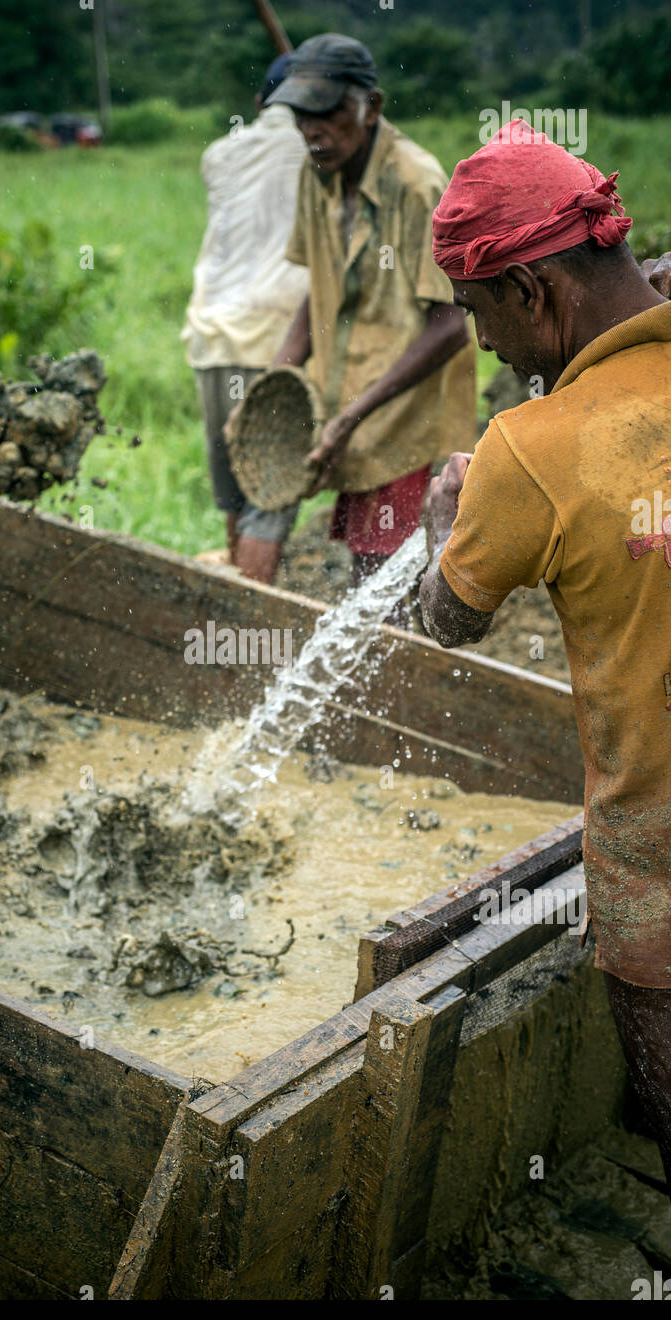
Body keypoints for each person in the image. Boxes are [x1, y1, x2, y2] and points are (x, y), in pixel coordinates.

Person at [419, 119, 671, 1191]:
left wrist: (443, 521)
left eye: (478, 313)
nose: (482, 346)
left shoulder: (527, 451)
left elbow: (448, 619)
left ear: (532, 292)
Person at [266, 33, 475, 587]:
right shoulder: (317, 172)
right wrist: (278, 374)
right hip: (349, 411)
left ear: (371, 107)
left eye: (328, 112)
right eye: (301, 116)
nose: (313, 130)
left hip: (404, 419)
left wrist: (353, 415)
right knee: (368, 573)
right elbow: (321, 288)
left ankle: (402, 670)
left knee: (387, 582)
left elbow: (451, 325)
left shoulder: (415, 182)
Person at [182, 56, 309, 579]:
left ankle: (236, 591)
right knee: (270, 498)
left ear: (259, 105)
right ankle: (251, 622)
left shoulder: (218, 154)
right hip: (280, 339)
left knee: (236, 492)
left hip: (212, 338)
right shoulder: (320, 153)